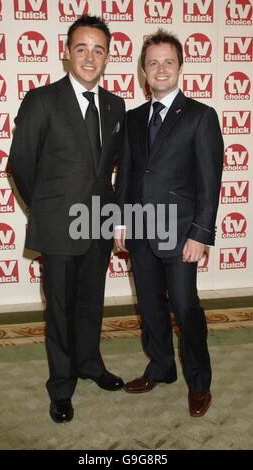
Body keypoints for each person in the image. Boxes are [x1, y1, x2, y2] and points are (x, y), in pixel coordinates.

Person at [9, 14, 125, 423]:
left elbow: (111, 169)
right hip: (58, 225)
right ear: (66, 53)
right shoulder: (42, 100)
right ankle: (61, 386)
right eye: (82, 48)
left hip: (98, 223)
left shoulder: (115, 104)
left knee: (91, 303)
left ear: (107, 56)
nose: (90, 57)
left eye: (99, 50)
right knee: (58, 309)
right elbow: (20, 164)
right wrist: (45, 208)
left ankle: (90, 364)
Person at [115, 29, 223, 417]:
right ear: (144, 70)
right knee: (149, 306)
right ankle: (160, 367)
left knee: (184, 306)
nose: (160, 68)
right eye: (153, 62)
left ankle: (199, 382)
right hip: (140, 232)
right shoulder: (132, 118)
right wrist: (119, 222)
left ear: (179, 67)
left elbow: (210, 184)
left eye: (168, 62)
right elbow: (126, 175)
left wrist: (200, 234)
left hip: (180, 235)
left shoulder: (201, 117)